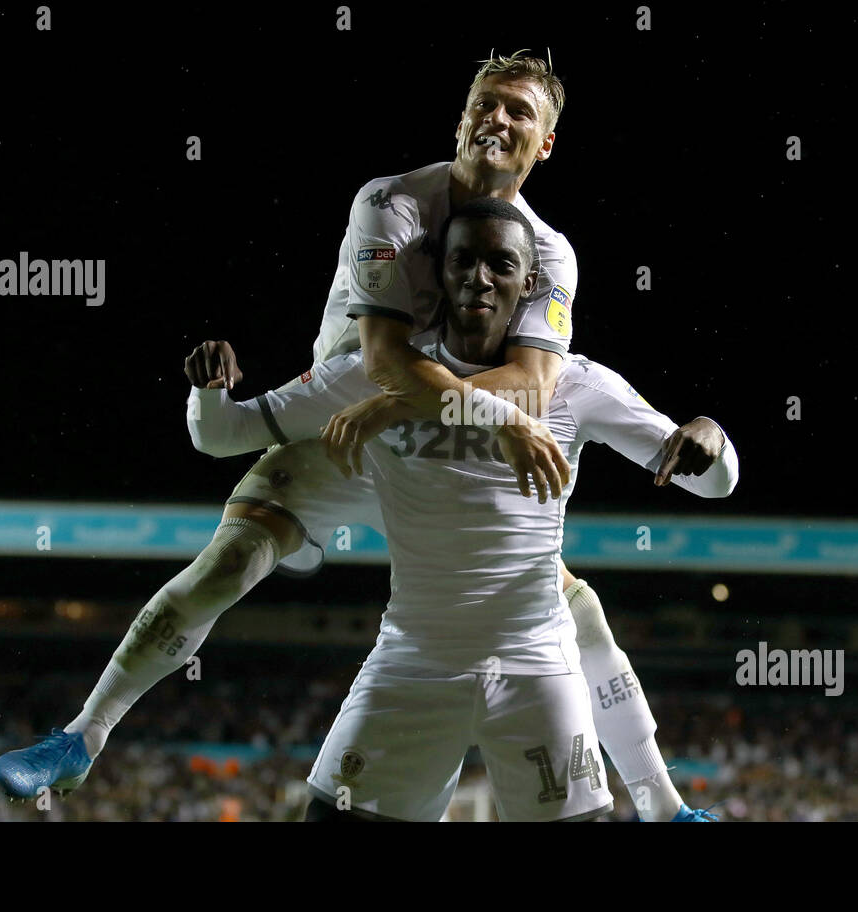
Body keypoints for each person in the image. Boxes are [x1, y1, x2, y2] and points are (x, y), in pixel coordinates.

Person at [0, 52, 707, 821]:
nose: (498, 120)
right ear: (461, 118)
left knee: (573, 612)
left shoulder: (550, 251)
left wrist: (430, 409)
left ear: (546, 145)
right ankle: (80, 738)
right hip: (343, 430)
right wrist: (451, 410)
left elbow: (532, 382)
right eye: (485, 104)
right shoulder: (393, 203)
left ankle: (667, 809)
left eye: (518, 112)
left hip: (432, 447)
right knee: (231, 558)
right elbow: (385, 362)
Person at [186, 198, 738, 820]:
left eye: (501, 264)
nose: (480, 277)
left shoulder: (574, 385)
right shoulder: (374, 376)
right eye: (463, 261)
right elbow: (224, 435)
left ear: (529, 283)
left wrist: (711, 435)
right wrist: (207, 392)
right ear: (439, 273)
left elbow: (712, 481)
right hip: (413, 659)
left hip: (538, 664)